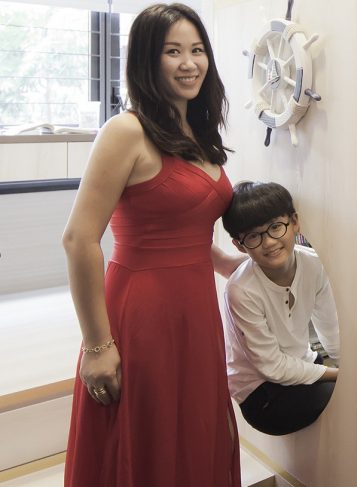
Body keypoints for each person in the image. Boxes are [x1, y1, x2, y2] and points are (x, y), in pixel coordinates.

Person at [61, 4, 242, 486]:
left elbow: (186, 227)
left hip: (196, 312)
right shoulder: (126, 131)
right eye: (173, 51)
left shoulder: (197, 134)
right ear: (146, 59)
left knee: (194, 432)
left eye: (197, 50)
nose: (190, 63)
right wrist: (97, 345)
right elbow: (79, 239)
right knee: (147, 439)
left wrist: (231, 263)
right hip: (142, 314)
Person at [222, 181, 341, 435]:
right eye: (254, 236)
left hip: (301, 363)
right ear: (239, 245)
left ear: (294, 222)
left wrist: (349, 370)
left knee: (353, 394)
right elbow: (272, 367)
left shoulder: (314, 265)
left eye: (276, 227)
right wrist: (337, 375)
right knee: (340, 399)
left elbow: (331, 330)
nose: (268, 242)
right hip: (260, 392)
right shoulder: (241, 290)